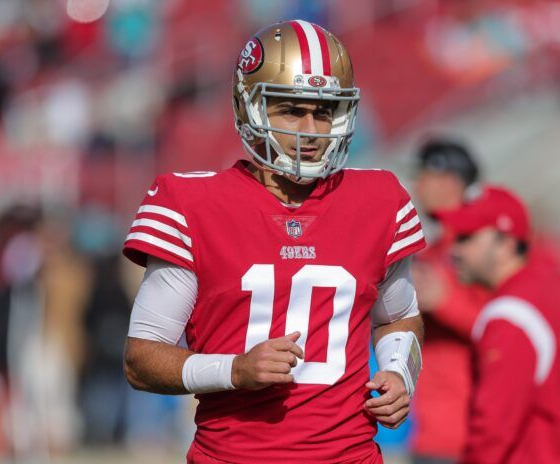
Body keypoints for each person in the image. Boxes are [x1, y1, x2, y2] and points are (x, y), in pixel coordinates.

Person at [122, 20, 427, 464]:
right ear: (250, 108)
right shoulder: (193, 204)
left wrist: (399, 372)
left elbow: (400, 317)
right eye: (290, 109)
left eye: (323, 111)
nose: (309, 128)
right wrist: (235, 370)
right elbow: (141, 359)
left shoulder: (378, 200)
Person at [438, 185, 560, 464]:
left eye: (466, 238)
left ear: (507, 244)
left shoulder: (509, 315)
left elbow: (492, 432)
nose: (455, 249)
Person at [408, 138, 490, 464]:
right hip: (431, 428)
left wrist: (445, 301)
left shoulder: (485, 248)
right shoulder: (433, 250)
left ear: (450, 181)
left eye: (423, 175)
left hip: (465, 434)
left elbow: (508, 325)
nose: (416, 185)